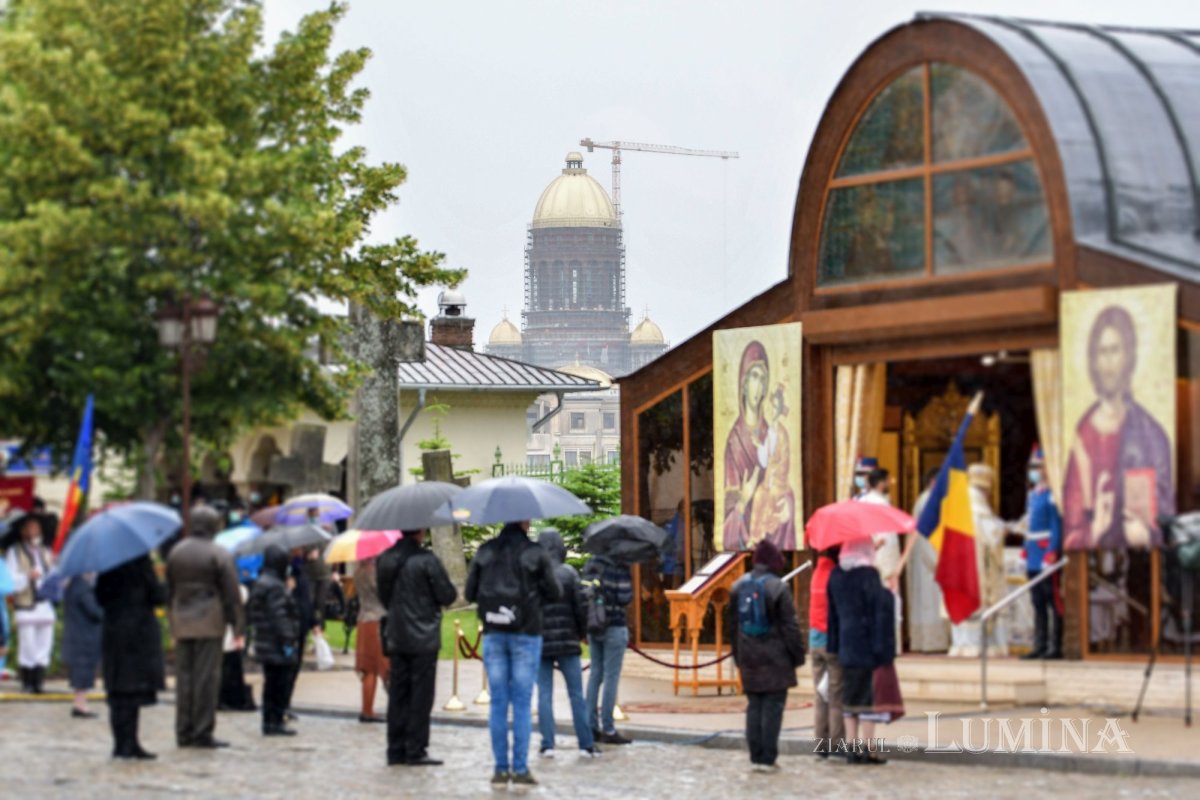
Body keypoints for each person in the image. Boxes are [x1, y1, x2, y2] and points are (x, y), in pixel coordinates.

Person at [1063, 305, 1174, 549]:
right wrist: (1094, 530)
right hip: (1095, 569)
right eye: (1101, 352)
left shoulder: (1151, 434)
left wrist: (1147, 535)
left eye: (1114, 350)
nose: (1108, 363)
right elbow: (1071, 528)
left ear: (1128, 355)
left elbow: (1166, 517)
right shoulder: (1083, 435)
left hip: (1141, 565)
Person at [465, 520, 560, 788]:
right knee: (521, 703)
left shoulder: (485, 551)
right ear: (525, 521)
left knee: (498, 703)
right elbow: (555, 592)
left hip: (495, 633)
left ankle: (499, 769)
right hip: (526, 633)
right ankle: (519, 769)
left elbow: (469, 592)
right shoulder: (535, 553)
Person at [377, 529, 457, 767]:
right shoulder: (427, 561)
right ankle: (415, 748)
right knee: (421, 695)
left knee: (398, 693)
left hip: (398, 634)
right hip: (422, 637)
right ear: (420, 531)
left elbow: (384, 597)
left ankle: (395, 748)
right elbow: (447, 595)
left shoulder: (386, 559)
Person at [166, 505, 244, 748]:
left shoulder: (176, 552)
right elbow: (232, 594)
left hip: (182, 620)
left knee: (184, 679)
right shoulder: (218, 553)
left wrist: (172, 620)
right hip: (209, 621)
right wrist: (238, 626)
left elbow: (169, 589)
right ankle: (202, 731)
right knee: (206, 680)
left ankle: (183, 730)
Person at [728, 540, 805, 773]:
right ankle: (768, 758)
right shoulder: (779, 588)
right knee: (773, 707)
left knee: (754, 706)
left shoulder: (737, 586)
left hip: (748, 655)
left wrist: (737, 656)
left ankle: (755, 756)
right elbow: (790, 627)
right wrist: (797, 655)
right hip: (776, 657)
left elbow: (732, 626)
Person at [826, 538, 896, 766]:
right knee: (867, 699)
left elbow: (832, 614)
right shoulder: (868, 575)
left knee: (849, 698)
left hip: (845, 644)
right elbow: (880, 610)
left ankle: (851, 748)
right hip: (867, 644)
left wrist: (833, 646)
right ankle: (868, 748)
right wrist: (890, 592)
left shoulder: (836, 575)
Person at [722, 340, 796, 551]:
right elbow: (728, 512)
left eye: (763, 379)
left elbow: (785, 482)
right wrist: (743, 499)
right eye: (754, 376)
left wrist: (787, 505)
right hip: (748, 531)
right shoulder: (734, 441)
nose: (759, 385)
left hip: (773, 520)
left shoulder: (774, 431)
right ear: (743, 382)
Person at [535, 529, 600, 759]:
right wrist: (582, 633)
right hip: (567, 640)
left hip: (541, 641)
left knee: (544, 693)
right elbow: (580, 607)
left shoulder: (534, 575)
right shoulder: (568, 573)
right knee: (575, 693)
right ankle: (585, 743)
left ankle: (547, 743)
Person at [96, 554, 166, 759]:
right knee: (132, 690)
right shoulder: (141, 563)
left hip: (114, 630)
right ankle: (129, 743)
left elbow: (100, 597)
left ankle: (122, 743)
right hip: (137, 632)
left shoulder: (108, 563)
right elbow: (157, 596)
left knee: (118, 690)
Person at [950, 465, 1008, 657]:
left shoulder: (956, 506)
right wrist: (1004, 530)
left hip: (957, 568)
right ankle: (980, 645)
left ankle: (960, 644)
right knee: (978, 602)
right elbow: (991, 538)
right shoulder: (980, 509)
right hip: (976, 568)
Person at [247, 544, 301, 736]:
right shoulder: (275, 586)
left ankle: (270, 720)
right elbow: (279, 615)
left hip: (266, 640)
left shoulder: (263, 581)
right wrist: (289, 638)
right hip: (276, 643)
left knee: (271, 683)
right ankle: (274, 721)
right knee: (278, 684)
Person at [584, 553, 633, 746]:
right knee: (611, 676)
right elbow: (624, 597)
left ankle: (590, 725)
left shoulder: (592, 563)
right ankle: (608, 727)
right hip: (614, 625)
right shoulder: (619, 566)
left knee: (595, 674)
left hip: (594, 623)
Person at [5, 512, 56, 694]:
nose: (35, 531)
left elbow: (52, 575)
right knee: (28, 644)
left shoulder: (45, 551)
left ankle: (39, 680)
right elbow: (10, 580)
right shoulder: (15, 552)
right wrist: (27, 577)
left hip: (44, 605)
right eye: (31, 527)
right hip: (26, 604)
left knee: (44, 643)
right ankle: (27, 680)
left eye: (37, 527)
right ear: (23, 531)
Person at [1022, 448, 1063, 660]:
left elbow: (1056, 526)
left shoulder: (1052, 495)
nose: (1034, 471)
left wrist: (1052, 551)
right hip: (1033, 553)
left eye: (1037, 467)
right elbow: (1029, 524)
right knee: (1037, 602)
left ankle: (1055, 645)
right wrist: (1024, 548)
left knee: (1052, 601)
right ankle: (1039, 643)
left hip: (1046, 551)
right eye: (1032, 467)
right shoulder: (1032, 495)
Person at [808, 545, 845, 759]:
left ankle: (821, 745)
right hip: (831, 640)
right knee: (836, 695)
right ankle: (837, 744)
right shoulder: (835, 575)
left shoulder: (816, 574)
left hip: (815, 641)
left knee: (821, 695)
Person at [907, 468, 950, 652]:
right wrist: (939, 562)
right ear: (934, 481)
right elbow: (926, 535)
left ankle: (925, 642)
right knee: (930, 603)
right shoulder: (928, 502)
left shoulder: (928, 500)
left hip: (925, 560)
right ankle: (932, 643)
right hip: (929, 562)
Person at [351, 556, 389, 723]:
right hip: (376, 620)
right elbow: (382, 594)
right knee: (377, 667)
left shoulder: (358, 571)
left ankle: (367, 708)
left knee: (368, 668)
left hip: (363, 619)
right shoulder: (372, 572)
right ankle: (369, 710)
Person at [62, 573, 104, 718]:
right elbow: (94, 612)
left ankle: (80, 703)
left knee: (81, 671)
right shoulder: (82, 587)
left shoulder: (72, 585)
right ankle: (80, 705)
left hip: (77, 634)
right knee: (83, 671)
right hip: (84, 636)